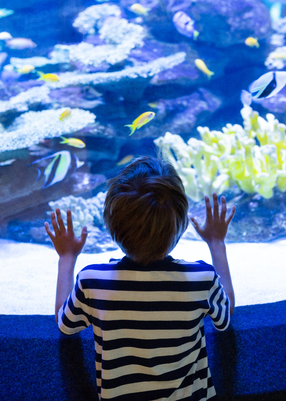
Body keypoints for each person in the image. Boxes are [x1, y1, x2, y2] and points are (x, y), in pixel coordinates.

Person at [45, 156, 235, 401]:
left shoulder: (93, 281)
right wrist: (217, 243)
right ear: (182, 223)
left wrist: (67, 257)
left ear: (112, 225)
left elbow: (64, 324)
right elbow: (225, 315)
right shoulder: (201, 278)